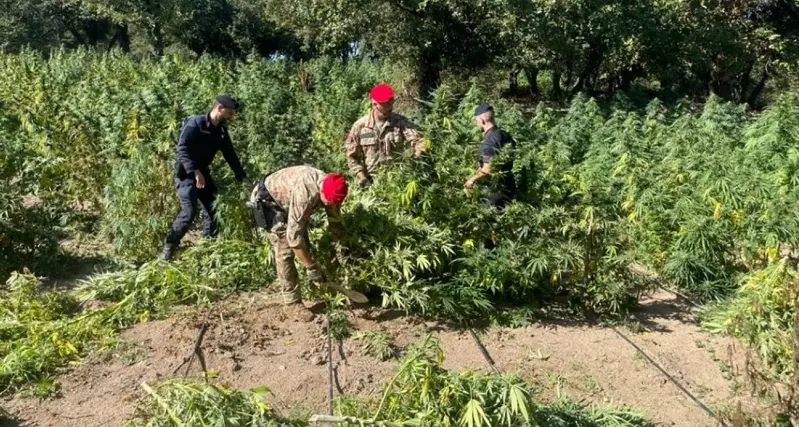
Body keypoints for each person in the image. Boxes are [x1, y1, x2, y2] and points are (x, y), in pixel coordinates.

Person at [248, 165, 366, 320]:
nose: (331, 205)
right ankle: (292, 303)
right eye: (328, 202)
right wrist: (311, 267)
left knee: (302, 241)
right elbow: (294, 238)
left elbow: (335, 220)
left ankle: (315, 285)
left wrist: (340, 249)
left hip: (288, 201)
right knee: (285, 249)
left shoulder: (334, 186)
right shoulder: (306, 194)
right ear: (322, 193)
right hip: (268, 202)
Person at [158, 95, 247, 261]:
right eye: (229, 113)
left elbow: (230, 154)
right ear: (219, 108)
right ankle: (168, 248)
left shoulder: (220, 130)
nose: (232, 116)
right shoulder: (195, 124)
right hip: (186, 174)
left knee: (213, 210)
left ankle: (207, 248)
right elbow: (182, 149)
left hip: (203, 174)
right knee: (189, 211)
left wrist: (242, 176)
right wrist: (195, 171)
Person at [345, 83, 426, 188]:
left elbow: (419, 141)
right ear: (374, 104)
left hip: (398, 181)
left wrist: (415, 160)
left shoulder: (400, 122)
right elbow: (351, 156)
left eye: (390, 106)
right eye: (385, 108)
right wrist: (363, 178)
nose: (389, 110)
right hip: (372, 183)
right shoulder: (360, 127)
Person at [465, 103, 516, 248]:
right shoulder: (505, 135)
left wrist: (471, 180)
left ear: (482, 120)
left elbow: (488, 169)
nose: (476, 123)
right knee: (502, 225)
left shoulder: (488, 141)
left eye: (476, 120)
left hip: (495, 189)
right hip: (509, 183)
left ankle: (489, 257)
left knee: (485, 225)